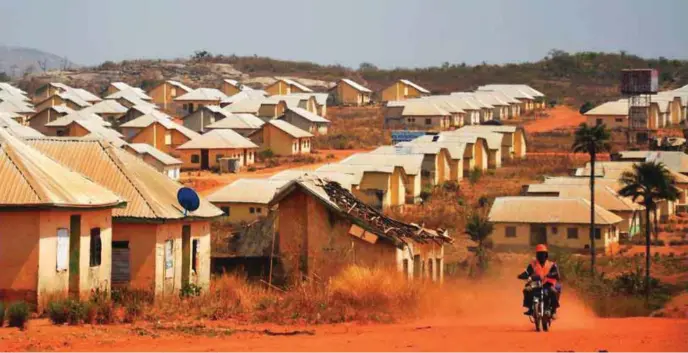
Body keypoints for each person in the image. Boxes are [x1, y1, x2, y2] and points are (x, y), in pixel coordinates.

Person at [517, 244, 561, 317]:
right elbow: (527, 272)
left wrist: (550, 275)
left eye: (543, 254)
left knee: (553, 292)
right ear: (537, 255)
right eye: (539, 254)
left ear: (546, 255)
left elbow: (556, 273)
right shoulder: (533, 264)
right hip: (536, 283)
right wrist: (521, 276)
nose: (541, 256)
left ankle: (553, 311)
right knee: (527, 290)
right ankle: (530, 308)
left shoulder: (551, 264)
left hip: (548, 284)